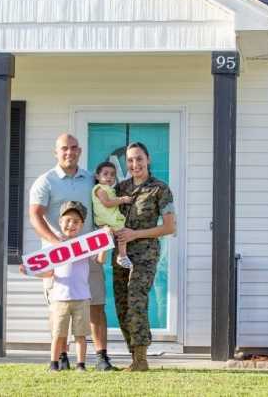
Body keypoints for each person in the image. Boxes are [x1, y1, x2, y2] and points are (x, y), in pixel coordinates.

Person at [28, 133, 116, 371]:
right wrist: (56, 242)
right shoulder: (45, 181)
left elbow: (105, 205)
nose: (69, 152)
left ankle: (101, 357)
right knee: (60, 308)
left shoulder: (91, 179)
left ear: (80, 151)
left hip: (88, 253)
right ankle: (62, 357)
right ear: (56, 152)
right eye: (64, 148)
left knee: (95, 304)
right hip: (57, 258)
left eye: (74, 148)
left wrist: (106, 233)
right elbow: (35, 215)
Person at [20, 202, 108, 372]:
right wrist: (30, 271)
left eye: (76, 221)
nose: (71, 225)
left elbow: (100, 260)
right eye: (67, 220)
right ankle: (53, 364)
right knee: (58, 334)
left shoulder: (85, 245)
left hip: (82, 297)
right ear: (60, 222)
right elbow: (48, 273)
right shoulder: (55, 246)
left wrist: (104, 245)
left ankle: (81, 365)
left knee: (80, 335)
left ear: (82, 225)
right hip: (59, 298)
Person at [113, 142, 177, 372]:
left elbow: (169, 227)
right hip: (120, 254)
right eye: (130, 160)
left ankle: (141, 359)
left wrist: (135, 234)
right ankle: (134, 356)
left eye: (139, 159)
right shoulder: (120, 189)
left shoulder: (160, 189)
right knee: (122, 304)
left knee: (136, 300)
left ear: (148, 159)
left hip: (145, 254)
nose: (134, 164)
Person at [92, 161, 134, 269]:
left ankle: (112, 257)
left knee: (114, 237)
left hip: (110, 219)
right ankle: (119, 256)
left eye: (112, 174)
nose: (109, 177)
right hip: (106, 219)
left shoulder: (110, 189)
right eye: (105, 174)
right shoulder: (100, 189)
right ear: (97, 176)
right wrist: (122, 200)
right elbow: (107, 203)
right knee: (120, 235)